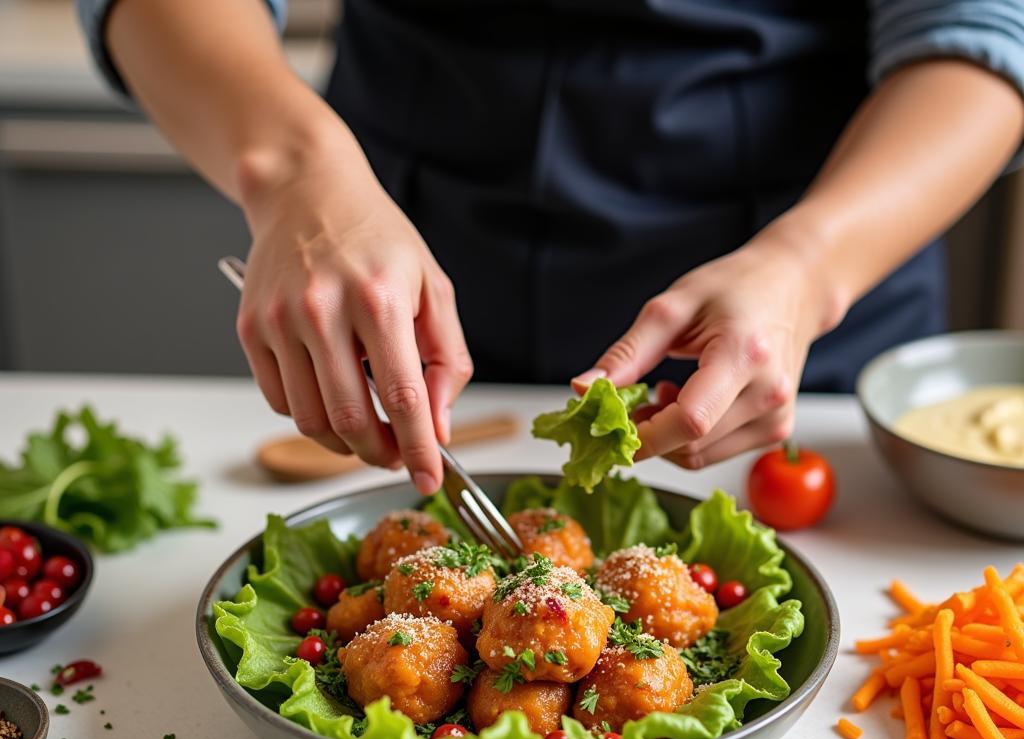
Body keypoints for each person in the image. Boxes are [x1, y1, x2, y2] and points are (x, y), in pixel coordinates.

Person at [78, 1, 1024, 494]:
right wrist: (294, 173)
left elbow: (981, 31)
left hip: (786, 287)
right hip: (396, 247)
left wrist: (809, 268)